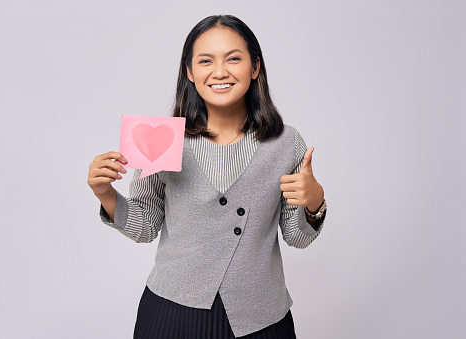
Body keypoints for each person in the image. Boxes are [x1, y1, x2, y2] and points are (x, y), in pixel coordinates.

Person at [87, 14, 327, 339]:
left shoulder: (285, 143)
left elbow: (297, 237)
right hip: (172, 314)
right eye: (205, 61)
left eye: (234, 59)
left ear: (255, 67)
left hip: (261, 318)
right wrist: (106, 194)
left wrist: (315, 204)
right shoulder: (163, 139)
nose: (220, 72)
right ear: (190, 71)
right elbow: (144, 227)